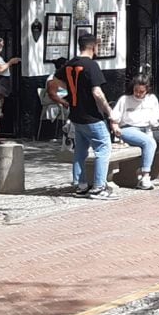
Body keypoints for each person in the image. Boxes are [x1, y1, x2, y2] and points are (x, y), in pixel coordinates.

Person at [66, 34, 120, 199]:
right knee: (103, 149)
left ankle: (81, 185)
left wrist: (65, 99)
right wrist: (110, 113)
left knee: (80, 151)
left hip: (75, 115)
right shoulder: (91, 66)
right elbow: (97, 92)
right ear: (93, 47)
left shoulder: (69, 64)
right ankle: (99, 187)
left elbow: (54, 83)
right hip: (91, 116)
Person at [112, 75, 159, 189]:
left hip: (147, 128)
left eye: (141, 92)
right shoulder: (125, 99)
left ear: (147, 90)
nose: (138, 94)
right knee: (149, 142)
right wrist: (115, 127)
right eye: (136, 91)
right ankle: (145, 176)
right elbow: (114, 118)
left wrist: (158, 126)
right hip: (129, 128)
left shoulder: (152, 99)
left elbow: (154, 119)